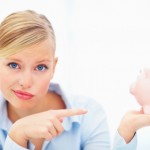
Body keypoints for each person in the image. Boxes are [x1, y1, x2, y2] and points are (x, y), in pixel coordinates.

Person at [0, 9, 147, 150]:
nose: (26, 82)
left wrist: (127, 131)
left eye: (40, 67)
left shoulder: (88, 115)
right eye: (14, 65)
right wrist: (17, 136)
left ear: (54, 67)